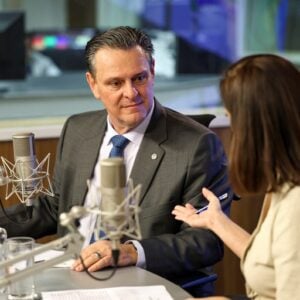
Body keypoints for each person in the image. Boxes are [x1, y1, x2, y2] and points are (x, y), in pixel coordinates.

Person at [0, 26, 233, 296]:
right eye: (115, 83)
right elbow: (56, 207)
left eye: (139, 78)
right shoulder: (78, 129)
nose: (131, 93)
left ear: (153, 71)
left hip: (143, 285)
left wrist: (132, 252)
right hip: (71, 278)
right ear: (93, 84)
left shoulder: (196, 145)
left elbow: (206, 241)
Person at [172, 54, 300, 299]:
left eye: (231, 117)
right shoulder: (285, 182)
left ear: (252, 126)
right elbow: (270, 265)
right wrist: (216, 221)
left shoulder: (296, 203)